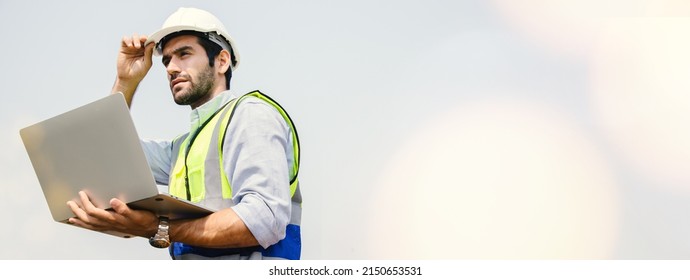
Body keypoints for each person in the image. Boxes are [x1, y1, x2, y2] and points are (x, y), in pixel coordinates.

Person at [65, 7, 302, 260]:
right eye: (166, 60)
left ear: (222, 61)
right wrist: (126, 82)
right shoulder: (182, 148)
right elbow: (106, 151)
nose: (170, 68)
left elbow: (264, 220)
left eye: (184, 54)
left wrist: (158, 228)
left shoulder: (251, 116)